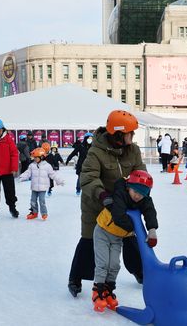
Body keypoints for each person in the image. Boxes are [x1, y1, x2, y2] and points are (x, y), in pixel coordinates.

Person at [68, 110, 146, 298]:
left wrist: (138, 191)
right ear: (119, 134)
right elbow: (88, 178)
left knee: (130, 239)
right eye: (130, 132)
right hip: (96, 204)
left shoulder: (133, 150)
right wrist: (103, 195)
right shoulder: (96, 152)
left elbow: (140, 173)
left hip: (122, 205)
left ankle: (141, 272)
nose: (133, 136)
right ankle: (75, 278)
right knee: (88, 241)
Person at [92, 170, 158, 312]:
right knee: (103, 263)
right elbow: (118, 216)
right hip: (103, 232)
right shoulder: (120, 194)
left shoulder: (142, 198)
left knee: (114, 264)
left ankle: (108, 290)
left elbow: (150, 210)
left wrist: (152, 229)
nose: (137, 196)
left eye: (142, 194)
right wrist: (136, 230)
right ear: (129, 186)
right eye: (135, 191)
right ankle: (98, 290)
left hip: (117, 237)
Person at [19, 147, 65, 220]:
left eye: (36, 157)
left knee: (41, 201)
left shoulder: (47, 166)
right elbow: (28, 173)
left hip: (43, 188)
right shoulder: (32, 165)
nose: (35, 159)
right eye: (34, 157)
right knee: (33, 201)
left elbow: (53, 174)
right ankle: (34, 213)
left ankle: (44, 213)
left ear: (42, 157)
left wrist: (59, 181)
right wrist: (22, 177)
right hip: (34, 187)